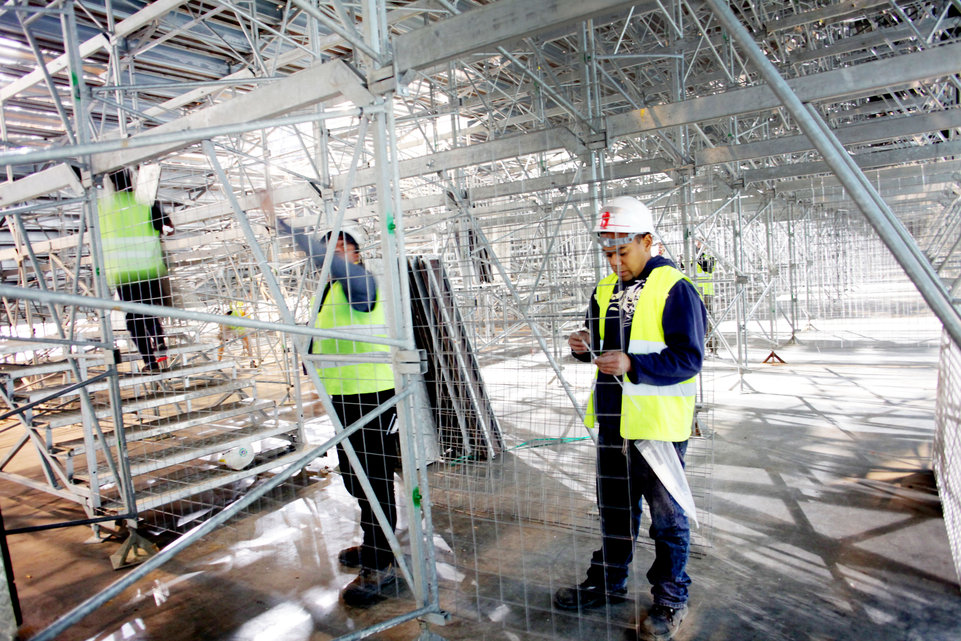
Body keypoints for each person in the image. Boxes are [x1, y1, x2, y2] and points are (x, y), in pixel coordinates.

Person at [554, 196, 706, 641]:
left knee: (667, 519)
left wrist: (633, 365)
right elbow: (601, 349)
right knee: (615, 512)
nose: (615, 261)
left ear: (647, 241)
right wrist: (583, 347)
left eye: (622, 251)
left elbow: (689, 357)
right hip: (613, 421)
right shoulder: (604, 290)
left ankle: (670, 598)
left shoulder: (674, 288)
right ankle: (607, 581)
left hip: (657, 427)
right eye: (607, 253)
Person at [278, 217, 400, 608]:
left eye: (339, 250)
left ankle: (381, 565)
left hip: (371, 395)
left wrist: (283, 225)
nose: (329, 258)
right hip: (342, 396)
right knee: (352, 474)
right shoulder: (330, 291)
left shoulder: (364, 284)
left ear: (357, 255)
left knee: (373, 478)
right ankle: (374, 543)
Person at [97, 168, 174, 372]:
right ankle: (159, 342)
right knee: (149, 311)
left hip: (124, 273)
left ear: (111, 185)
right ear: (133, 180)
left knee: (134, 319)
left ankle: (149, 361)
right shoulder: (147, 205)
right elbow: (169, 227)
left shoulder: (104, 209)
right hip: (149, 268)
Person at [693, 240, 717, 355]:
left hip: (706, 292)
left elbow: (708, 268)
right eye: (697, 242)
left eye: (701, 242)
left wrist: (698, 254)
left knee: (709, 321)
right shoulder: (687, 255)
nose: (698, 244)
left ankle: (712, 348)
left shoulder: (709, 257)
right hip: (693, 291)